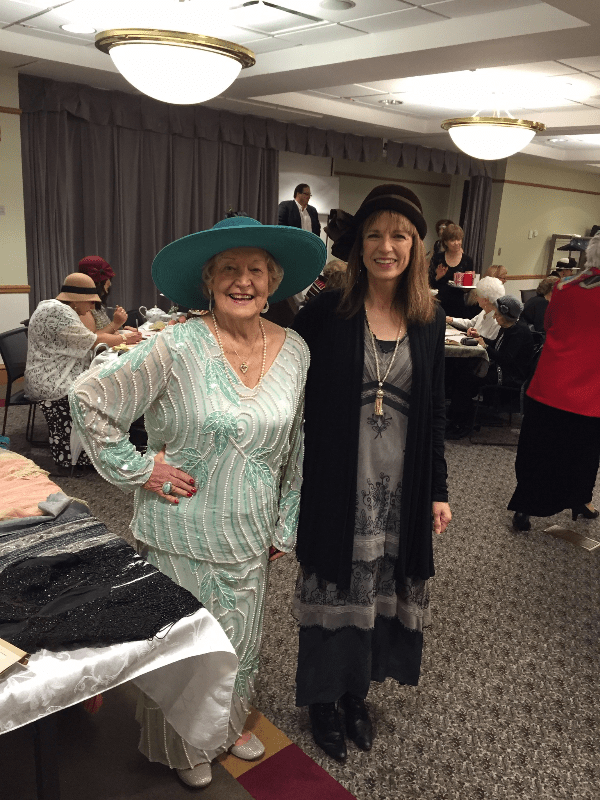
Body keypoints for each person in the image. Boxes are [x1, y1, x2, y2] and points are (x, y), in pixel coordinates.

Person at [70, 216, 326, 788]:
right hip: (180, 528)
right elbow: (90, 398)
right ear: (208, 281)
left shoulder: (297, 351)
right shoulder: (175, 344)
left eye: (255, 270)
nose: (243, 281)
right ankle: (183, 745)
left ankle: (226, 726)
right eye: (229, 269)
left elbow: (298, 444)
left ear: (273, 280)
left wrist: (285, 522)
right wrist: (140, 468)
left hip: (251, 529)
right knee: (187, 646)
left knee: (241, 640)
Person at [292, 184, 451, 763]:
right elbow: (283, 378)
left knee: (383, 593)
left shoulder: (428, 318)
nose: (388, 246)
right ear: (358, 245)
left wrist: (437, 490)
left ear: (416, 246)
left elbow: (435, 412)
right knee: (333, 589)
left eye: (400, 235)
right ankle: (323, 700)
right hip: (339, 483)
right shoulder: (328, 312)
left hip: (399, 492)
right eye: (376, 235)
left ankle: (356, 692)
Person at [508, 234, 600, 532]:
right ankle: (581, 500)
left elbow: (549, 326)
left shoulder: (564, 285)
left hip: (549, 383)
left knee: (537, 449)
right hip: (590, 392)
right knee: (584, 454)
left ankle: (524, 508)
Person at [24, 273, 142, 470]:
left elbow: (87, 338)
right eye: (90, 302)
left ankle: (107, 446)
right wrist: (123, 338)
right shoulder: (58, 312)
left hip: (52, 376)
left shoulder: (57, 308)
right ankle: (91, 453)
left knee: (105, 384)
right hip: (52, 382)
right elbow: (92, 340)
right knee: (104, 389)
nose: (92, 307)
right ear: (77, 299)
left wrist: (120, 335)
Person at [446, 296, 534, 439]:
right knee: (461, 371)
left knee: (467, 379)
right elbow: (496, 345)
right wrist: (479, 337)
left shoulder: (519, 332)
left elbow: (506, 359)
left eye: (497, 314)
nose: (494, 316)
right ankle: (456, 417)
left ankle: (462, 424)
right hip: (501, 369)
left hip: (509, 376)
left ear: (506, 316)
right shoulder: (508, 327)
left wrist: (485, 345)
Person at [429, 223, 474, 317]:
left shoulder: (467, 260)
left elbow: (466, 291)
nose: (457, 243)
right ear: (445, 242)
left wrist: (468, 283)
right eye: (453, 240)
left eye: (459, 239)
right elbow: (429, 284)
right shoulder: (438, 258)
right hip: (438, 305)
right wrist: (438, 276)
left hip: (458, 306)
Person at [77, 255, 128, 333]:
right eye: (107, 279)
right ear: (97, 282)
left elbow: (106, 331)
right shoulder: (83, 308)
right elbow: (93, 339)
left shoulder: (98, 305)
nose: (109, 284)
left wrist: (122, 331)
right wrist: (116, 324)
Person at [446, 275, 505, 340]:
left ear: (485, 300)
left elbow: (489, 343)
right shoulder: (484, 311)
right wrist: (451, 320)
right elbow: (470, 323)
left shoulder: (496, 320)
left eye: (477, 295)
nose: (476, 298)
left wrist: (476, 337)